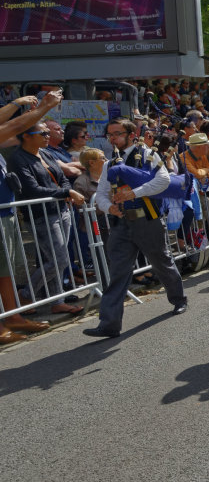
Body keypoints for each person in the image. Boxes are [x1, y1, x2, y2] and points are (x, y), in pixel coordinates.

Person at [82, 118, 188, 339]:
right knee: (118, 272)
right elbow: (100, 194)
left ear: (131, 134)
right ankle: (109, 324)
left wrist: (134, 193)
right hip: (121, 224)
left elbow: (163, 182)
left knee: (161, 262)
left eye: (117, 133)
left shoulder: (149, 155)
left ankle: (179, 300)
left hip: (147, 220)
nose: (113, 138)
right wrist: (109, 207)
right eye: (109, 134)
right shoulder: (109, 164)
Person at [10, 122, 87, 316]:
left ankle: (57, 301)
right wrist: (65, 191)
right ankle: (26, 294)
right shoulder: (18, 159)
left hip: (62, 210)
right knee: (59, 259)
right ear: (26, 136)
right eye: (42, 133)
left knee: (56, 258)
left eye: (47, 132)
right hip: (41, 215)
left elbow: (61, 176)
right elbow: (31, 189)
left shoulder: (45, 153)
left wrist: (64, 191)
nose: (47, 136)